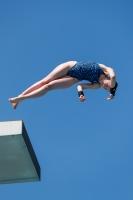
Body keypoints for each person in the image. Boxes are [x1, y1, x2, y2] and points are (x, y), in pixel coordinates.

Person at [8, 61, 118, 109]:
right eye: (108, 86)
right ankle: (20, 95)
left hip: (74, 78)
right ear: (109, 80)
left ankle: (22, 99)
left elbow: (79, 86)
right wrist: (112, 93)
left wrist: (80, 94)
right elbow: (113, 77)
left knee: (48, 86)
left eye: (106, 89)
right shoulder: (106, 70)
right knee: (44, 81)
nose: (104, 87)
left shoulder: (96, 86)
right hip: (70, 66)